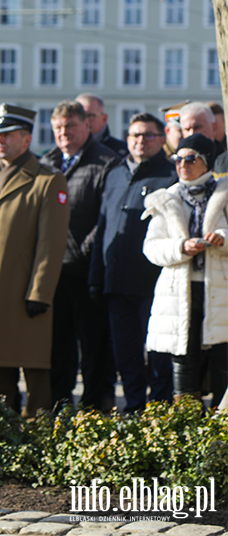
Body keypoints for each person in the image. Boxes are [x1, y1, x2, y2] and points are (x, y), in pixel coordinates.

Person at [0, 104, 70, 417]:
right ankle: (2, 431)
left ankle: (38, 431)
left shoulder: (47, 180)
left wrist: (39, 292)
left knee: (34, 366)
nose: (0, 140)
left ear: (26, 138)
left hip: (22, 289)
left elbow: (51, 244)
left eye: (8, 135)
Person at [89, 113, 177, 414]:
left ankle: (161, 416)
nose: (141, 141)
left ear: (162, 139)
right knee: (125, 355)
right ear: (127, 139)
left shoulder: (170, 175)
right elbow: (103, 229)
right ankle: (134, 412)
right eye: (135, 135)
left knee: (159, 357)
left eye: (148, 135)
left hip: (155, 286)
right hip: (117, 284)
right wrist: (95, 278)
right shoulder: (115, 174)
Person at [40, 101, 119, 410]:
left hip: (88, 271)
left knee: (93, 346)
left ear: (88, 125)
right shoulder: (47, 163)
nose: (63, 133)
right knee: (57, 345)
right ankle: (58, 406)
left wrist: (83, 251)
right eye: (58, 128)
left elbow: (106, 217)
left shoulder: (107, 162)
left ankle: (93, 408)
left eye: (70, 126)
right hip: (52, 272)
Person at [143, 134, 228, 408]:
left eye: (190, 159)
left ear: (205, 162)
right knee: (183, 361)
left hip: (220, 289)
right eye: (177, 159)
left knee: (223, 360)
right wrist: (181, 247)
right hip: (179, 291)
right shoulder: (165, 199)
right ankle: (188, 432)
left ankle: (221, 427)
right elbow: (151, 248)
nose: (182, 165)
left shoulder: (224, 194)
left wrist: (223, 239)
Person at [76, 93, 128, 158]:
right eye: (80, 117)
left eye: (90, 116)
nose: (85, 121)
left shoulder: (122, 151)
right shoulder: (64, 151)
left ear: (104, 118)